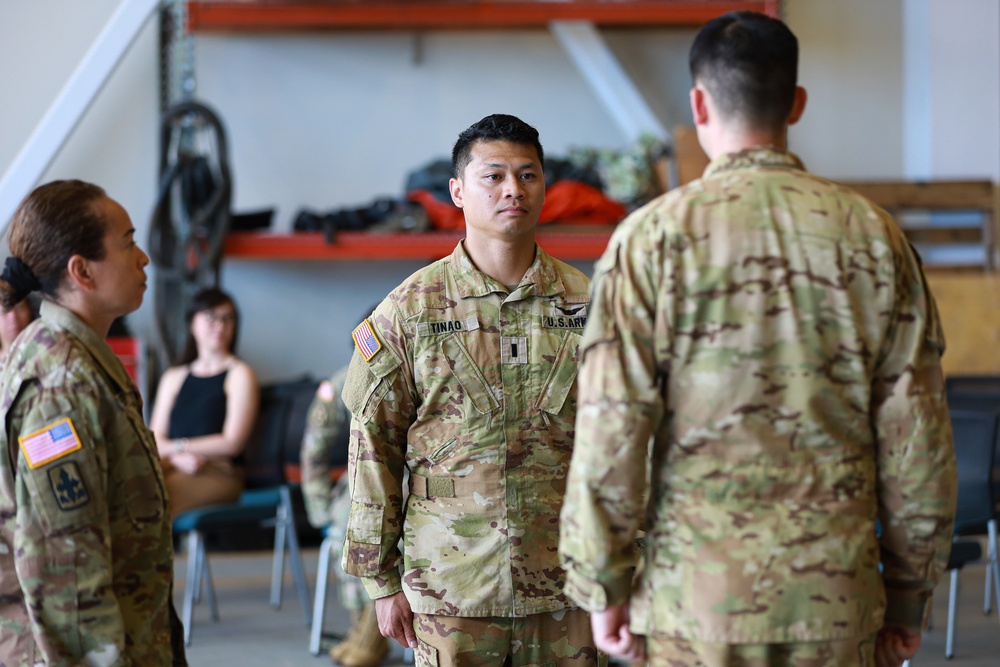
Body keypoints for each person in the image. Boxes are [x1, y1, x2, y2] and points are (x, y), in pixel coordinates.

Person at [559, 11, 957, 667]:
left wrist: (602, 585)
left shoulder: (649, 240)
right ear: (796, 103)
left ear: (697, 103)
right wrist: (909, 593)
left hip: (694, 603)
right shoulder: (874, 236)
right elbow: (917, 435)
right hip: (835, 600)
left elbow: (612, 425)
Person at [340, 114, 599, 665]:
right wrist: (380, 581)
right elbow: (372, 445)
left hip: (568, 584)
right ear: (457, 190)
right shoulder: (410, 311)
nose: (513, 190)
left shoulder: (589, 305)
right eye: (494, 175)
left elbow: (628, 441)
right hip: (453, 587)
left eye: (528, 176)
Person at [0, 179, 186, 665]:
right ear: (81, 271)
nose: (143, 258)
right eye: (127, 243)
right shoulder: (62, 384)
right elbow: (67, 573)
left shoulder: (73, 355)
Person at [301, 362, 388, 667]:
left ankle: (374, 630)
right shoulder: (343, 381)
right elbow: (315, 445)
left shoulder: (419, 369)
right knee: (345, 524)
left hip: (409, 477)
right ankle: (361, 624)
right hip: (360, 479)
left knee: (390, 529)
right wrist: (319, 507)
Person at [150, 287, 259, 518]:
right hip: (173, 464)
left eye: (227, 318)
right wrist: (177, 457)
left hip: (218, 472)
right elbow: (154, 438)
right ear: (192, 323)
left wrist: (176, 448)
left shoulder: (240, 374)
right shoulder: (174, 377)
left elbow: (232, 443)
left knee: (153, 499)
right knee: (127, 485)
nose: (219, 325)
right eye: (210, 317)